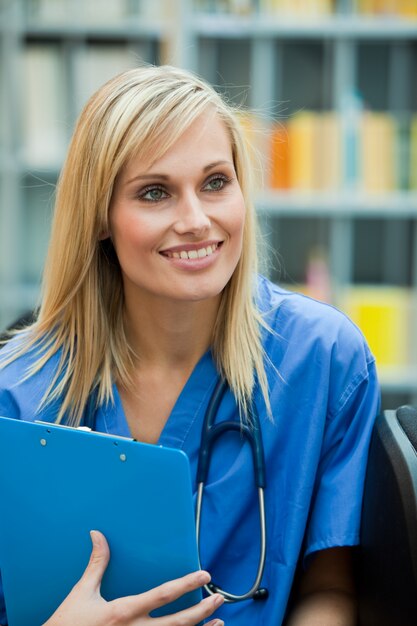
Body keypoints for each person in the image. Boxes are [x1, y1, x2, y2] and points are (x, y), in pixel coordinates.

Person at [0, 64, 380, 626]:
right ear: (100, 217)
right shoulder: (18, 395)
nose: (197, 220)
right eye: (155, 192)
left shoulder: (323, 358)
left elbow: (331, 588)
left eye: (215, 182)